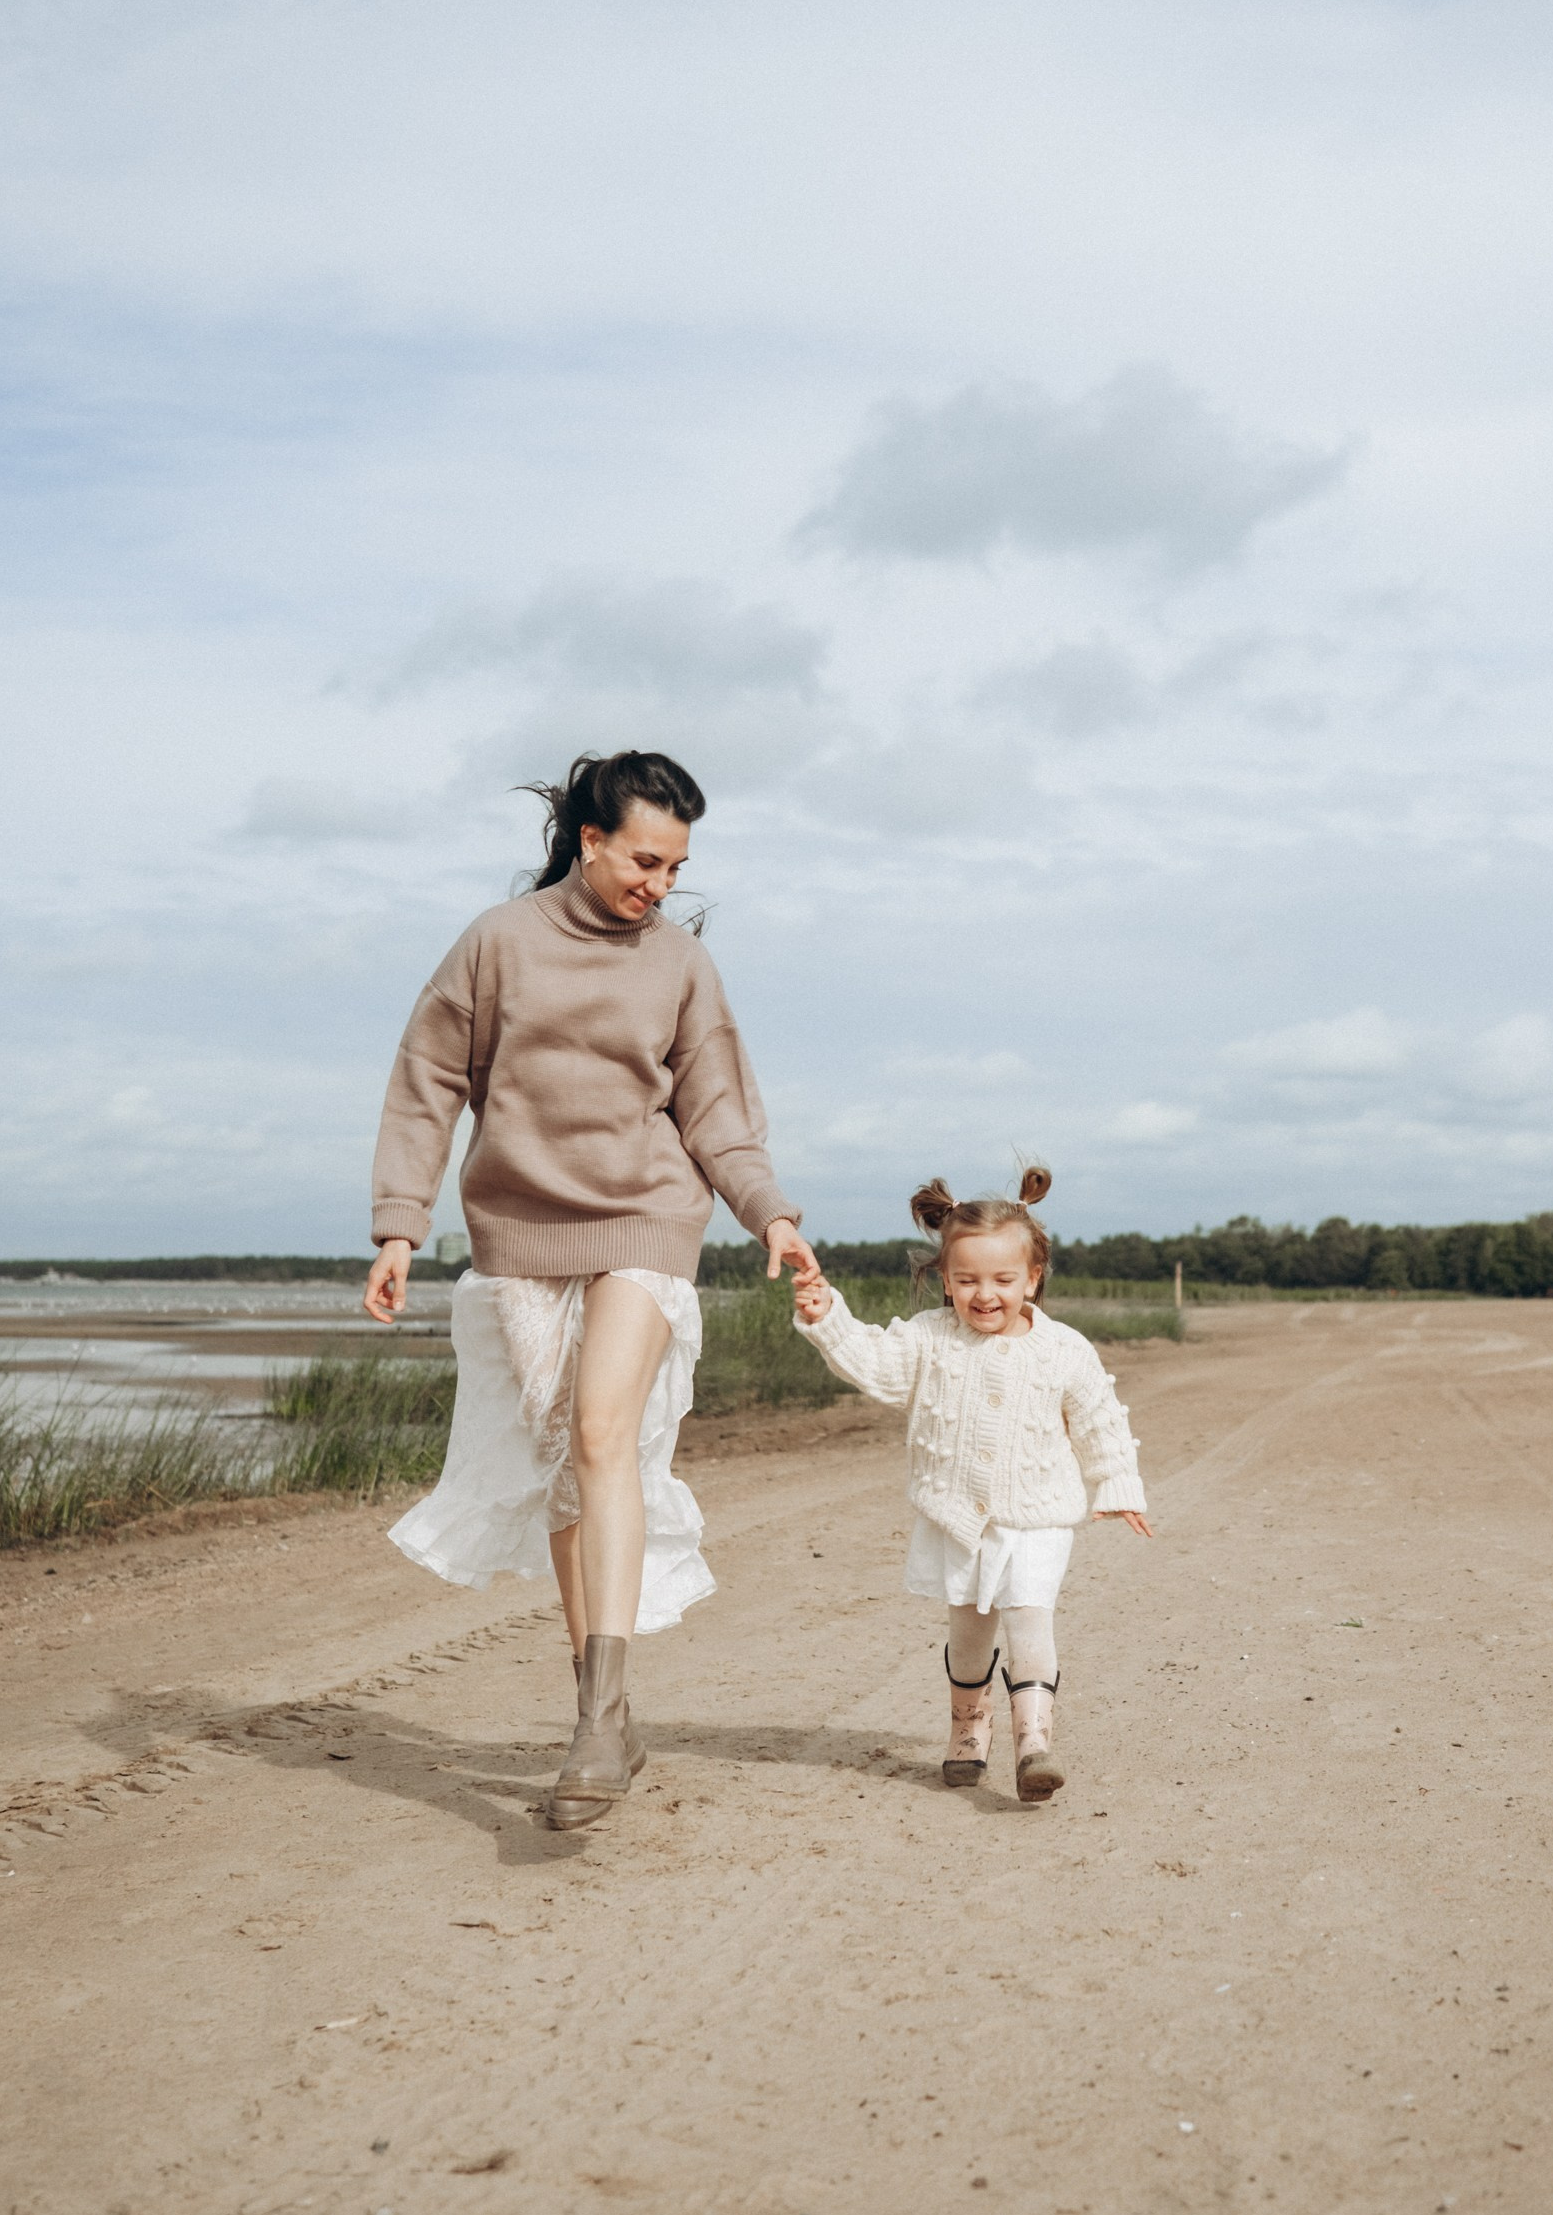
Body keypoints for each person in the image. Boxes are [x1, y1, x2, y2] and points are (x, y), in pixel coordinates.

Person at [361, 747, 817, 1830]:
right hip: (519, 1231)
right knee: (570, 1459)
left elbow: (716, 1114)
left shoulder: (680, 967)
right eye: (645, 860)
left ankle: (602, 1720)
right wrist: (397, 1226)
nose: (660, 884)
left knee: (604, 1432)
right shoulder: (495, 944)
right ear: (589, 836)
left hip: (648, 1220)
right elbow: (426, 1084)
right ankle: (595, 1700)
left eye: (676, 866)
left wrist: (772, 1213)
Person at [790, 1168, 1150, 1802]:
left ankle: (1034, 1743)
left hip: (1036, 1517)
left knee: (1031, 1624)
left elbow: (1099, 1419)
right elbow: (873, 1361)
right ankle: (969, 1728)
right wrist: (829, 1319)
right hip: (957, 1518)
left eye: (1003, 1281)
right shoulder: (929, 1340)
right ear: (944, 1280)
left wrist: (1117, 1483)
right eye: (967, 1281)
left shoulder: (1064, 1350)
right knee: (969, 1631)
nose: (985, 1295)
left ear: (1032, 1278)